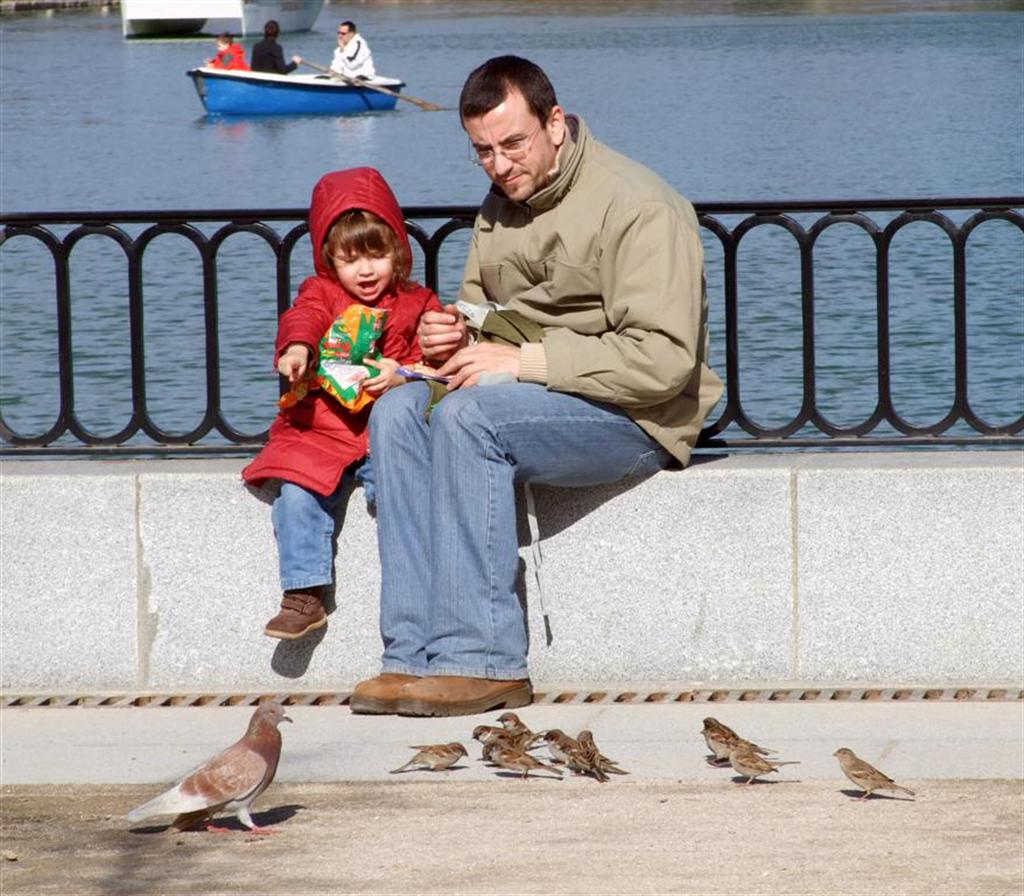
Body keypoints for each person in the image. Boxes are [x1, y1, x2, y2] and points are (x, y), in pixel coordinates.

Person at [349, 56, 724, 717]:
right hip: (530, 395)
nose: (498, 165)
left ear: (555, 123)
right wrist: (451, 336)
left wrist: (519, 364)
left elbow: (665, 362)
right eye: (483, 152)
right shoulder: (502, 203)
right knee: (399, 412)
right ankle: (411, 656)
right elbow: (475, 307)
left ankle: (484, 660)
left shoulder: (640, 206)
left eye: (513, 144)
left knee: (471, 420)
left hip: (638, 415)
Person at [242, 167, 442, 641]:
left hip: (382, 432)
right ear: (330, 259)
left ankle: (428, 583)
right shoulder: (322, 293)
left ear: (397, 251)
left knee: (406, 489)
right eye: (351, 259)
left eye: (377, 254)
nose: (366, 270)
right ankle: (303, 593)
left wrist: (406, 370)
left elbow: (436, 361)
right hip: (322, 426)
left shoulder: (418, 302)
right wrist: (297, 349)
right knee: (295, 494)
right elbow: (304, 318)